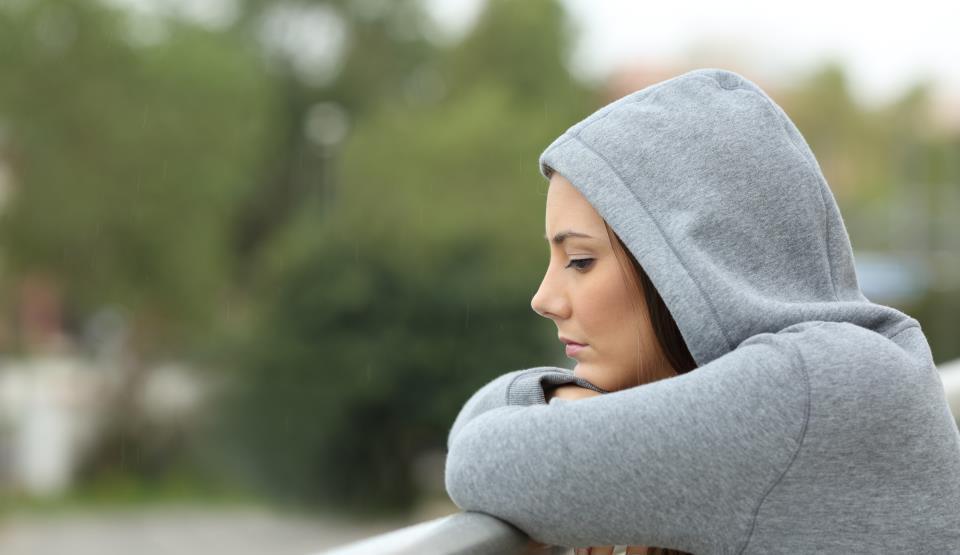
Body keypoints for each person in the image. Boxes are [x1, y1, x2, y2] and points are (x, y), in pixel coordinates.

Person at [443, 68, 960, 554]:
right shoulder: (834, 372)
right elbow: (472, 432)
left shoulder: (815, 387)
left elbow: (477, 460)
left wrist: (566, 409)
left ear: (686, 261)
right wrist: (565, 396)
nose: (544, 299)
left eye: (580, 260)